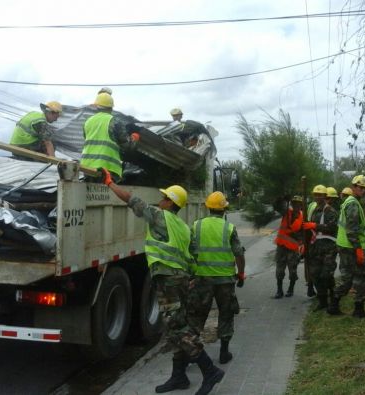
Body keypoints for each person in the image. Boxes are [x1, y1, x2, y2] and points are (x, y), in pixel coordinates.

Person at [100, 169, 224, 395]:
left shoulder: (160, 217)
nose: (160, 200)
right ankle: (179, 377)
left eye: (164, 197)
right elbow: (193, 256)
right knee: (178, 326)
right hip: (183, 280)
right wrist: (192, 279)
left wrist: (110, 183)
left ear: (170, 202)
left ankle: (210, 370)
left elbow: (132, 200)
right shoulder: (183, 227)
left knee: (177, 330)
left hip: (169, 281)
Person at [187, 191, 246, 365]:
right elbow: (238, 254)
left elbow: (189, 252)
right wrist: (241, 274)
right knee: (226, 314)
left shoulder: (196, 226)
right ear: (224, 209)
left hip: (202, 279)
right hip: (225, 281)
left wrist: (191, 276)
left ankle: (191, 353)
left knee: (197, 316)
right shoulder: (229, 228)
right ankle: (224, 352)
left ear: (208, 208)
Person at [328, 175, 365, 318]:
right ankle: (359, 310)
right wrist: (358, 249)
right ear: (354, 187)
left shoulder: (349, 201)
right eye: (361, 188)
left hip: (344, 245)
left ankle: (333, 304)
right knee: (362, 277)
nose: (363, 191)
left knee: (347, 277)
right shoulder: (353, 203)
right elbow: (352, 229)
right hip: (351, 246)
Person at [81, 93, 139, 183]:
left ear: (97, 106)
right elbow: (127, 146)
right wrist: (134, 139)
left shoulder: (87, 121)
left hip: (87, 167)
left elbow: (87, 139)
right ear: (111, 108)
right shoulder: (114, 122)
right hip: (107, 169)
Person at [303, 185, 338, 311]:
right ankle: (322, 301)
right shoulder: (314, 210)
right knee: (315, 274)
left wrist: (315, 225)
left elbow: (332, 227)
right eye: (316, 195)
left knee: (326, 275)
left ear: (325, 196)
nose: (318, 197)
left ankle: (334, 298)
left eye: (320, 195)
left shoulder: (330, 211)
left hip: (328, 248)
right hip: (315, 247)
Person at [274, 195, 305, 299]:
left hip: (293, 249)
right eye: (294, 203)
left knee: (292, 271)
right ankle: (279, 290)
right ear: (292, 204)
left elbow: (303, 233)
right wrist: (281, 198)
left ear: (301, 205)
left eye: (298, 204)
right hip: (282, 247)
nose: (296, 205)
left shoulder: (302, 217)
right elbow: (277, 206)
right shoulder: (286, 213)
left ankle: (291, 289)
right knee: (279, 270)